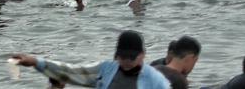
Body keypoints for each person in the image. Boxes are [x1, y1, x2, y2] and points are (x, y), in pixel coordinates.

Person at [10, 30, 170, 88]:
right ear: (116, 55)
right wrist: (36, 62)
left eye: (131, 57)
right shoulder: (106, 70)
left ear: (143, 54)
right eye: (122, 57)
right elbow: (71, 72)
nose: (127, 61)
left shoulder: (156, 81)